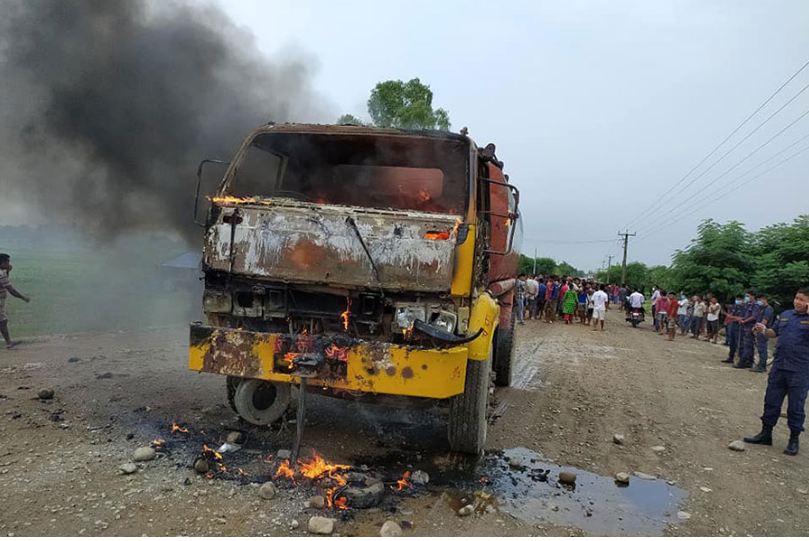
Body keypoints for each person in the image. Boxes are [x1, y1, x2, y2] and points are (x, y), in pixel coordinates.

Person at [743, 287, 809, 456]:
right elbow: (774, 332)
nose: (797, 302)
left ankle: (793, 439)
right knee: (771, 401)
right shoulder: (786, 315)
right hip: (779, 367)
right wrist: (763, 330)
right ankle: (766, 434)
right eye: (796, 298)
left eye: (802, 299)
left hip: (800, 370)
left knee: (796, 406)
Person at [0, 253, 31, 349]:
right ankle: (9, 343)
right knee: (3, 321)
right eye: (7, 261)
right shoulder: (1, 273)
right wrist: (23, 298)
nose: (9, 263)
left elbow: (4, 282)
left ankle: (8, 342)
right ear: (2, 262)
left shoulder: (2, 272)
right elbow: (11, 289)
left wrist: (7, 271)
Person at [751, 293, 775, 373]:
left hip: (764, 331)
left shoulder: (768, 309)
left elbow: (764, 321)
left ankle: (762, 366)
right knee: (760, 349)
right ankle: (760, 364)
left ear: (765, 299)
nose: (758, 301)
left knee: (762, 349)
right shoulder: (762, 308)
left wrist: (756, 328)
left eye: (760, 300)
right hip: (759, 330)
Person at [736, 290, 759, 369]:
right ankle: (749, 361)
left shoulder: (755, 305)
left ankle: (743, 362)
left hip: (750, 327)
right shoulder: (748, 305)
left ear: (753, 296)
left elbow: (754, 316)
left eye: (748, 296)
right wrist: (741, 319)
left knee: (747, 345)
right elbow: (745, 315)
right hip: (745, 326)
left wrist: (744, 321)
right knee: (746, 344)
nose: (746, 298)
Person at [722, 295, 745, 364]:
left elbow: (741, 318)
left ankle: (739, 359)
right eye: (736, 299)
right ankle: (730, 357)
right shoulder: (735, 306)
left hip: (739, 327)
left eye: (739, 299)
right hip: (733, 325)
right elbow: (731, 315)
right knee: (732, 343)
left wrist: (732, 317)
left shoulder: (744, 308)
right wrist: (731, 317)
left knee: (739, 343)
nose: (737, 301)